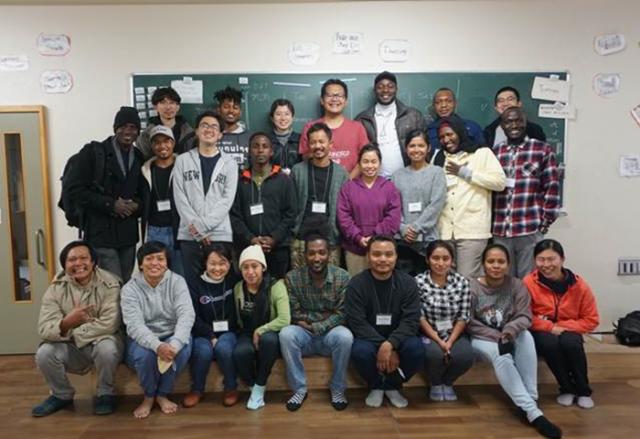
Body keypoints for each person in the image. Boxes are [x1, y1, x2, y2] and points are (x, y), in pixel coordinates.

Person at [468, 243, 562, 439]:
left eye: (501, 262)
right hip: (482, 338)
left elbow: (524, 316)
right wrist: (498, 337)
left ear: (508, 265)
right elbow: (468, 322)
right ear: (483, 264)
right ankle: (534, 413)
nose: (496, 265)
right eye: (491, 261)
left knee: (526, 336)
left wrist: (508, 332)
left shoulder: (517, 285)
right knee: (501, 354)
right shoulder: (471, 287)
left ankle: (530, 399)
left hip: (509, 333)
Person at [32, 241, 123, 417]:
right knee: (44, 353)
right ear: (65, 264)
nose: (78, 263)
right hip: (71, 345)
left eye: (84, 258)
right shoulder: (55, 288)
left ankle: (106, 393)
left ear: (94, 262)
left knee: (107, 348)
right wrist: (67, 322)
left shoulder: (111, 283)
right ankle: (61, 394)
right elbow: (44, 328)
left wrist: (73, 333)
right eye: (72, 259)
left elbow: (110, 323)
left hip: (101, 341)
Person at [345, 236, 423, 408]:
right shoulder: (356, 284)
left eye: (388, 254)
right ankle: (376, 385)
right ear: (368, 257)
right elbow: (357, 322)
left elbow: (411, 320)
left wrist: (391, 344)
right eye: (377, 254)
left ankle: (392, 385)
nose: (382, 259)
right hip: (369, 337)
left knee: (416, 348)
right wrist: (384, 345)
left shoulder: (408, 283)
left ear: (396, 257)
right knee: (359, 351)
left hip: (399, 337)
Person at [121, 241, 195, 419]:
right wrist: (157, 346)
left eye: (160, 258)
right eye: (149, 258)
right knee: (145, 356)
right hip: (143, 337)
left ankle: (162, 394)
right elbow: (134, 325)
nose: (155, 263)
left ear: (167, 262)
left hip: (172, 333)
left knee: (180, 350)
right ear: (140, 263)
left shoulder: (178, 282)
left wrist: (174, 344)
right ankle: (148, 396)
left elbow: (187, 315)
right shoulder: (129, 289)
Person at [279, 233, 353, 411]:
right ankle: (299, 389)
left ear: (330, 254)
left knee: (346, 336)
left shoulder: (343, 277)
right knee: (286, 334)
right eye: (311, 253)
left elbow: (342, 313)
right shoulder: (293, 278)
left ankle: (337, 388)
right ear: (304, 255)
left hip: (331, 334)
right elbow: (295, 313)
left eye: (321, 252)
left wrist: (314, 323)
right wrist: (325, 316)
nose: (317, 258)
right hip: (304, 335)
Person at [524, 239, 599, 409]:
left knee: (571, 343)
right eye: (541, 260)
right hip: (541, 329)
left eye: (552, 259)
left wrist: (563, 327)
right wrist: (550, 327)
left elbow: (591, 319)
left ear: (562, 259)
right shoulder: (529, 282)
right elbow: (525, 315)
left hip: (569, 328)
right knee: (548, 343)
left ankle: (583, 390)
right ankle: (566, 388)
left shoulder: (579, 285)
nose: (546, 264)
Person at [73, 106, 144, 282]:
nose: (128, 131)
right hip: (101, 233)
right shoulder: (93, 153)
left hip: (128, 234)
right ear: (115, 128)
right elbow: (76, 190)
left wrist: (137, 206)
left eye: (133, 127)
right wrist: (111, 204)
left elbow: (143, 193)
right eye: (123, 126)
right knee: (113, 286)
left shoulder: (138, 156)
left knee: (125, 284)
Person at [433, 115, 506, 278]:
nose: (446, 139)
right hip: (445, 231)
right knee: (447, 281)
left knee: (467, 280)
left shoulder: (482, 153)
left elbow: (500, 182)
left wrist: (465, 173)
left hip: (472, 231)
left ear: (460, 132)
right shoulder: (438, 157)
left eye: (450, 134)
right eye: (442, 137)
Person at [172, 111, 238, 288]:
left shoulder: (230, 163)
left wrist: (203, 226)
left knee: (220, 284)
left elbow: (227, 200)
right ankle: (196, 317)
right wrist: (196, 228)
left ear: (220, 134)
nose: (209, 129)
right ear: (196, 131)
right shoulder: (182, 161)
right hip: (189, 234)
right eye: (204, 125)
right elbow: (180, 197)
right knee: (192, 285)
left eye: (214, 127)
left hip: (219, 233)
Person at [492, 107, 560, 278]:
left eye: (518, 121)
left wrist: (543, 225)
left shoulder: (542, 150)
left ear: (525, 123)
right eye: (508, 122)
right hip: (500, 230)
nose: (514, 125)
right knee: (504, 282)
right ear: (502, 125)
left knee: (529, 283)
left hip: (529, 229)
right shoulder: (495, 153)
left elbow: (551, 188)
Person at [230, 132, 297, 279]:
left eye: (265, 146)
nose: (260, 150)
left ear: (271, 151)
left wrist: (274, 238)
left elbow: (291, 213)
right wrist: (251, 239)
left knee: (277, 289)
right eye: (256, 146)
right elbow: (235, 215)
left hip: (278, 248)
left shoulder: (283, 180)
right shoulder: (240, 181)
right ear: (249, 150)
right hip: (247, 248)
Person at [232, 245, 290, 410]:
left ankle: (260, 386)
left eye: (254, 266)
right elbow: (237, 321)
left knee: (269, 340)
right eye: (245, 267)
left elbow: (285, 319)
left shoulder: (276, 286)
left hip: (270, 331)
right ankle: (254, 387)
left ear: (263, 268)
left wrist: (261, 330)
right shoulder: (238, 288)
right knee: (240, 352)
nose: (250, 272)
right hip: (247, 331)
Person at [414, 240, 473, 402]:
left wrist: (450, 340)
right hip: (428, 332)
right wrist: (439, 341)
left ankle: (447, 382)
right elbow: (419, 317)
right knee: (434, 353)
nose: (440, 263)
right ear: (427, 259)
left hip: (454, 332)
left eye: (445, 258)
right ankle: (435, 382)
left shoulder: (462, 282)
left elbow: (463, 316)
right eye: (435, 258)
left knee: (466, 355)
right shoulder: (418, 282)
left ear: (452, 261)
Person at [183, 244, 239, 408]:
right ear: (205, 264)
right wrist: (211, 335)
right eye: (212, 263)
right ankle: (197, 389)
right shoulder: (194, 284)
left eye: (222, 263)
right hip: (202, 332)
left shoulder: (233, 280)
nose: (217, 268)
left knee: (223, 348)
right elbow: (192, 316)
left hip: (228, 330)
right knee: (203, 351)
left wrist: (220, 335)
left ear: (229, 263)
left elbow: (235, 314)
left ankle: (231, 388)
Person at [290, 122, 348, 269]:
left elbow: (345, 208)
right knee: (300, 283)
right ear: (308, 145)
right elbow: (290, 205)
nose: (317, 146)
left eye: (321, 141)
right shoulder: (297, 171)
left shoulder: (341, 173)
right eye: (313, 142)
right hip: (301, 240)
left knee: (330, 283)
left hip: (331, 241)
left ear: (330, 144)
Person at [337, 145, 402, 276]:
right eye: (365, 162)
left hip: (382, 249)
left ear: (380, 163)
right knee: (358, 287)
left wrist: (376, 237)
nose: (370, 166)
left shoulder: (389, 188)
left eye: (373, 161)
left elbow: (393, 217)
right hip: (355, 248)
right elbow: (343, 216)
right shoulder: (348, 187)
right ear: (359, 164)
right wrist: (358, 237)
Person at [390, 130, 446, 275]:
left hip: (428, 240)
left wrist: (415, 228)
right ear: (406, 148)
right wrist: (403, 228)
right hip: (403, 241)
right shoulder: (397, 175)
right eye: (412, 146)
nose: (416, 150)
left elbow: (436, 204)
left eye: (421, 146)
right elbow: (394, 207)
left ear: (428, 148)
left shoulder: (437, 173)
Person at [356, 71, 427, 177]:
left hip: (408, 178)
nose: (385, 90)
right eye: (380, 87)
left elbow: (425, 148)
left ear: (396, 89)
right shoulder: (362, 119)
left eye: (390, 86)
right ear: (375, 90)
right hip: (374, 180)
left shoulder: (413, 116)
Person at [299, 79, 369, 177]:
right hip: (320, 183)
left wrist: (346, 181)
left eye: (339, 95)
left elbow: (365, 158)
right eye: (329, 95)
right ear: (322, 100)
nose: (334, 99)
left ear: (346, 101)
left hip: (351, 186)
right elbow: (305, 157)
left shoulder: (358, 128)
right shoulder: (310, 127)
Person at [139, 125, 183, 276]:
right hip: (154, 231)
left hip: (178, 230)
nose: (162, 146)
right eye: (157, 142)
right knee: (156, 277)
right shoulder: (145, 170)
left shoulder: (184, 167)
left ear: (173, 143)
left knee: (179, 277)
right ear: (152, 146)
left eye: (166, 141)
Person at [137, 87, 194, 159]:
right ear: (155, 107)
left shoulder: (190, 134)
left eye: (172, 102)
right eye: (163, 103)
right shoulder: (146, 135)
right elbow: (145, 162)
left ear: (178, 107)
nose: (168, 107)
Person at [215, 86, 251, 168]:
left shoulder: (250, 138)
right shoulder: (211, 136)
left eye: (235, 108)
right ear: (219, 110)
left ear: (240, 112)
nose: (231, 111)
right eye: (226, 107)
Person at [268, 98, 302, 174]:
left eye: (287, 114)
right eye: (278, 114)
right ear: (272, 118)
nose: (283, 118)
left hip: (295, 183)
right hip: (273, 183)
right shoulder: (266, 141)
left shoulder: (301, 139)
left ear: (292, 117)